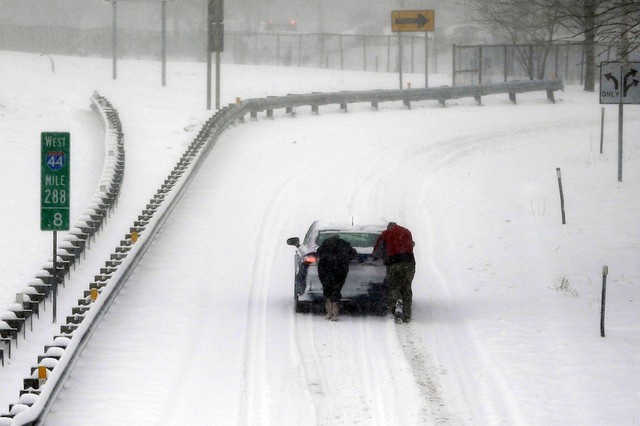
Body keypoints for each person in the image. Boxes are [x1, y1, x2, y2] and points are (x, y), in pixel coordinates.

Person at [373, 222, 416, 323]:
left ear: (388, 227)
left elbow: (377, 251)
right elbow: (411, 244)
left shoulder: (385, 234)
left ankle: (397, 304)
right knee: (406, 287)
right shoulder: (407, 232)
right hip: (408, 263)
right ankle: (407, 315)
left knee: (394, 286)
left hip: (394, 264)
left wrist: (375, 257)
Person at [317, 234, 357, 321]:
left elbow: (318, 253)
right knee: (337, 289)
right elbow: (353, 255)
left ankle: (328, 312)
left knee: (326, 289)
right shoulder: (345, 244)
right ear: (338, 238)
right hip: (340, 270)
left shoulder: (325, 243)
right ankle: (335, 313)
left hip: (325, 270)